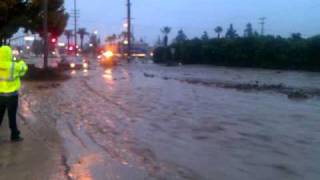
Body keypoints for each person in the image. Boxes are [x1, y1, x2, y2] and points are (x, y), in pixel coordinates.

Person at [0, 46, 28, 142]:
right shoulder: (13, 66)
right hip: (12, 96)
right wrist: (19, 60)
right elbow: (24, 69)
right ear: (9, 54)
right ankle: (14, 135)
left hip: (0, 96)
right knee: (12, 116)